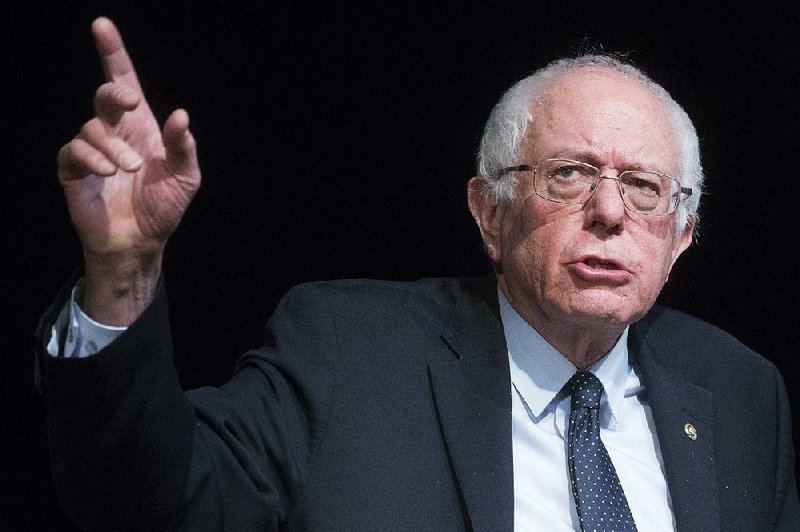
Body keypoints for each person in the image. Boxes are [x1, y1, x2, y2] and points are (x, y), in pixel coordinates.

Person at [36, 16, 799, 531]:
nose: (609, 211)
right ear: (489, 211)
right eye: (568, 174)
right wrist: (123, 273)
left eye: (643, 186)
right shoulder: (348, 351)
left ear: (683, 234)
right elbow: (146, 501)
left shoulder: (741, 394)